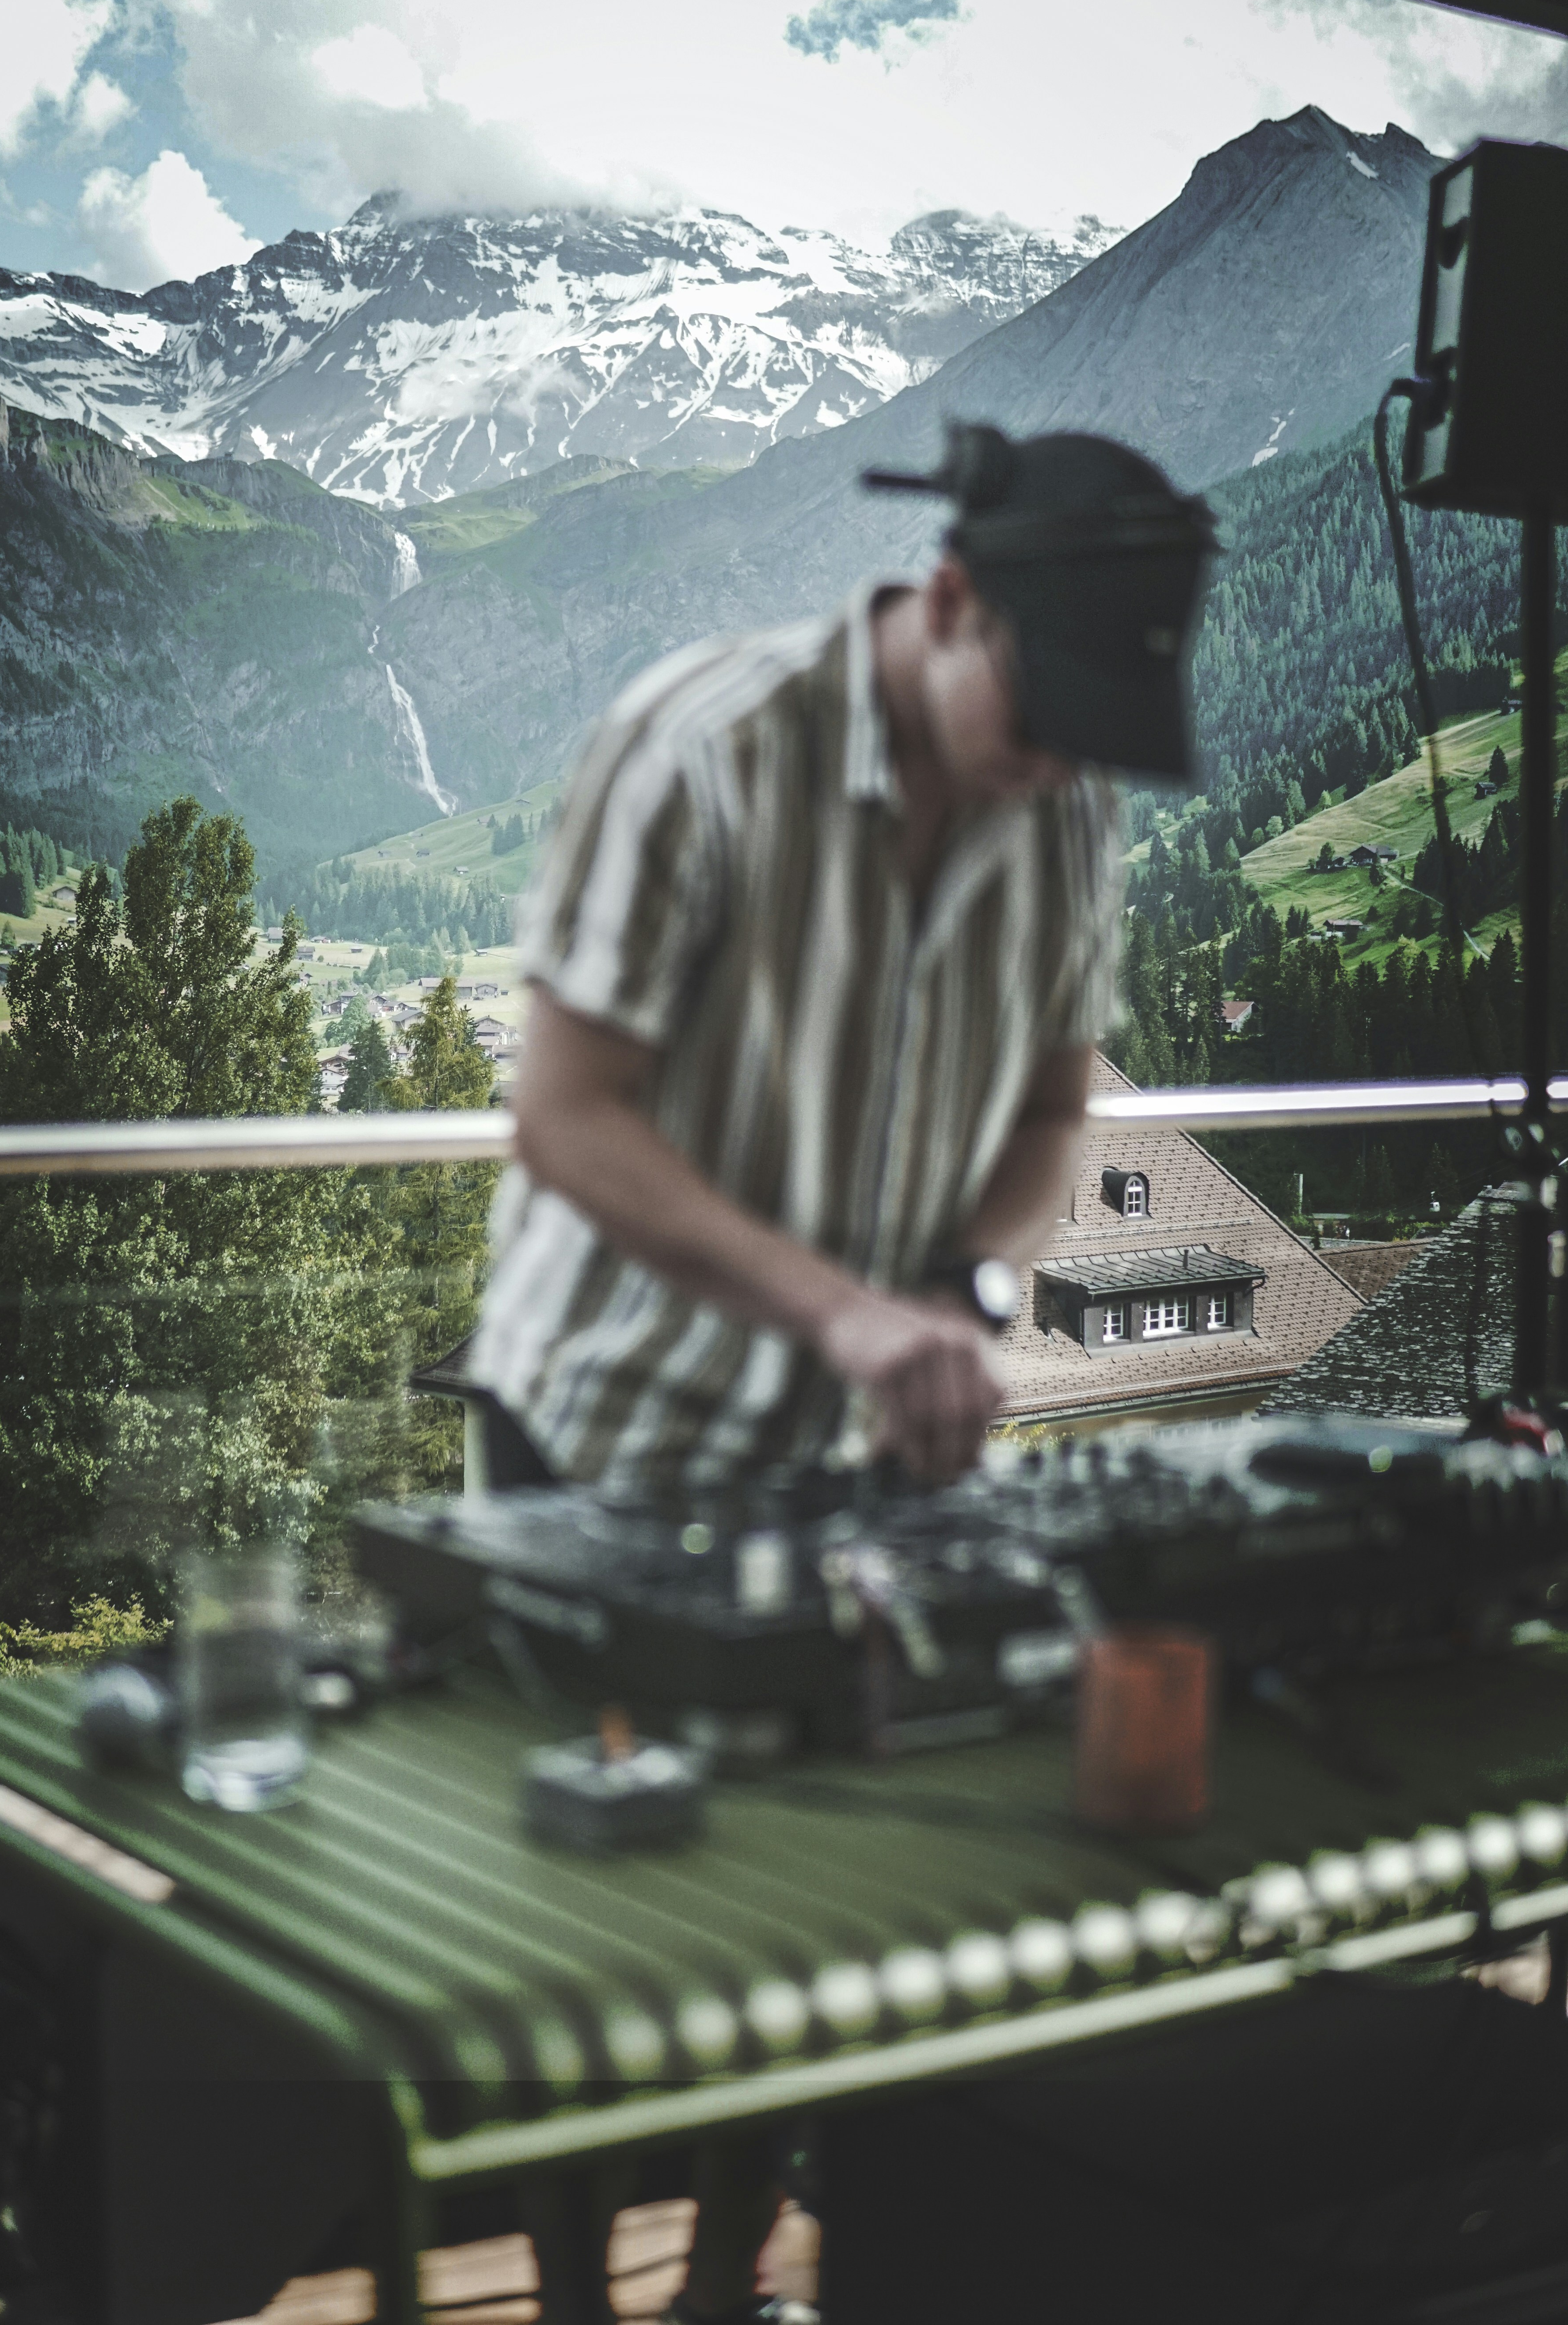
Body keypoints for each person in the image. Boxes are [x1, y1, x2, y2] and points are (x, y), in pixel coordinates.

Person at [468, 419, 1215, 2322]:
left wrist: (965, 1286)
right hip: (600, 1436)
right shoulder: (705, 745)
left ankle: (728, 2289)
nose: (1050, 768)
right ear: (944, 600)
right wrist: (841, 1313)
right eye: (1031, 715)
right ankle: (568, 2301)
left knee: (794, 1907)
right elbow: (567, 1116)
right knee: (589, 1924)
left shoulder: (1062, 795)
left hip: (843, 1465)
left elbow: (1061, 1096)